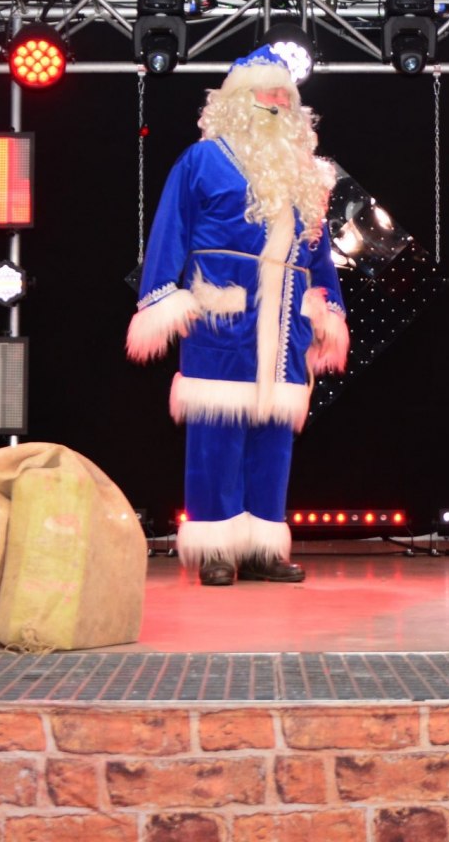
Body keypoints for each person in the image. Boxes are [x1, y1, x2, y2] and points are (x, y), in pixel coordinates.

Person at [126, 45, 348, 586]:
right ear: (237, 100)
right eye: (267, 92)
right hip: (223, 312)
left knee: (273, 436)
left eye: (285, 95)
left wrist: (329, 310)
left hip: (287, 319)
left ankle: (263, 546)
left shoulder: (307, 174)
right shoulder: (201, 160)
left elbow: (319, 254)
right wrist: (161, 297)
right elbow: (170, 231)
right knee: (217, 434)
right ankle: (218, 547)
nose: (277, 103)